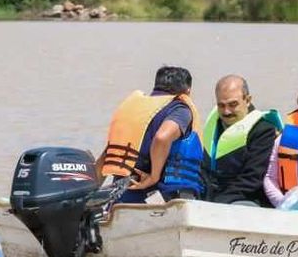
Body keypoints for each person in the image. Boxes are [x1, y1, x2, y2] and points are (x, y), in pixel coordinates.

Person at [97, 65, 204, 203]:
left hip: (125, 193)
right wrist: (154, 176)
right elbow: (162, 138)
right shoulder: (179, 109)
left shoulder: (134, 110)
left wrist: (91, 190)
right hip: (165, 195)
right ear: (187, 90)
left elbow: (109, 152)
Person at [202, 74, 283, 206]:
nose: (227, 111)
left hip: (244, 200)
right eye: (221, 105)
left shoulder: (263, 130)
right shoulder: (213, 126)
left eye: (233, 104)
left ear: (248, 100)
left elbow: (252, 179)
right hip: (211, 198)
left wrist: (218, 203)